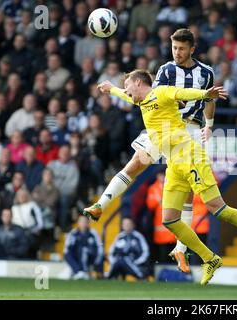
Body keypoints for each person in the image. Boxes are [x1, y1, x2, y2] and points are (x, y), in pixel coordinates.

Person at [91, 69, 237, 285]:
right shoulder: (142, 101)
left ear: (137, 82)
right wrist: (111, 89)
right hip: (173, 164)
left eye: (127, 87)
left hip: (190, 156)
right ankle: (210, 258)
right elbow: (125, 95)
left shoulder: (161, 92)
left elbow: (182, 92)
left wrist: (204, 95)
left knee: (219, 210)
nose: (127, 92)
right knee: (170, 220)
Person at [84, 29, 217, 274]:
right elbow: (144, 98)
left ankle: (181, 249)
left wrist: (208, 126)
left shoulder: (206, 73)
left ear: (192, 49)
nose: (177, 53)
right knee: (134, 164)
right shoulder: (166, 71)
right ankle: (100, 204)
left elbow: (209, 100)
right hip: (163, 126)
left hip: (189, 131)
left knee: (187, 191)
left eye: (181, 48)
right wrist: (113, 89)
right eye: (174, 48)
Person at [64, 216, 103, 280]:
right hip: (77, 256)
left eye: (84, 221)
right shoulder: (73, 233)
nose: (83, 223)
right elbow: (67, 247)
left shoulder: (93, 232)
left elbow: (100, 246)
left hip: (91, 256)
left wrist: (97, 259)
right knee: (67, 253)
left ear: (88, 223)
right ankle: (78, 271)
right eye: (81, 221)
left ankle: (84, 271)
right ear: (78, 223)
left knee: (83, 249)